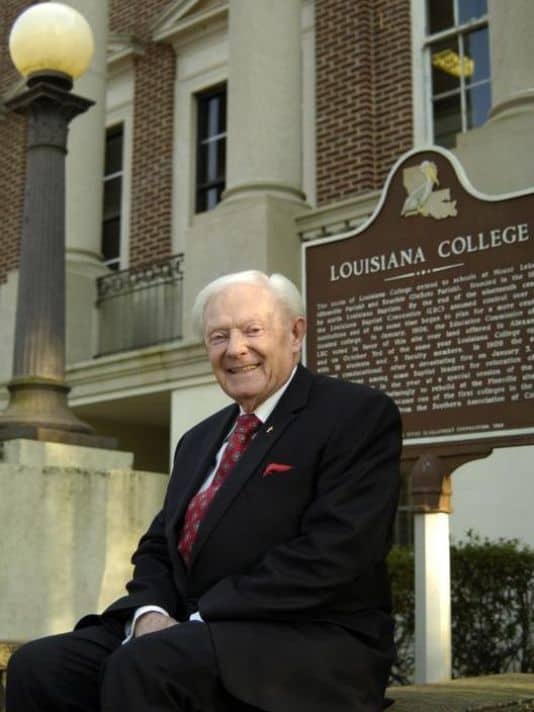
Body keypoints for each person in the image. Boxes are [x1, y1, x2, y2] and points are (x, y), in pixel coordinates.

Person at [6, 270, 402, 712]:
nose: (236, 349)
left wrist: (199, 617)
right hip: (191, 633)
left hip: (310, 638)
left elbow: (338, 551)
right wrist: (150, 613)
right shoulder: (198, 440)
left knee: (147, 665)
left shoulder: (355, 414)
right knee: (40, 666)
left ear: (295, 334)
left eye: (253, 330)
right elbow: (159, 546)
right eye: (219, 336)